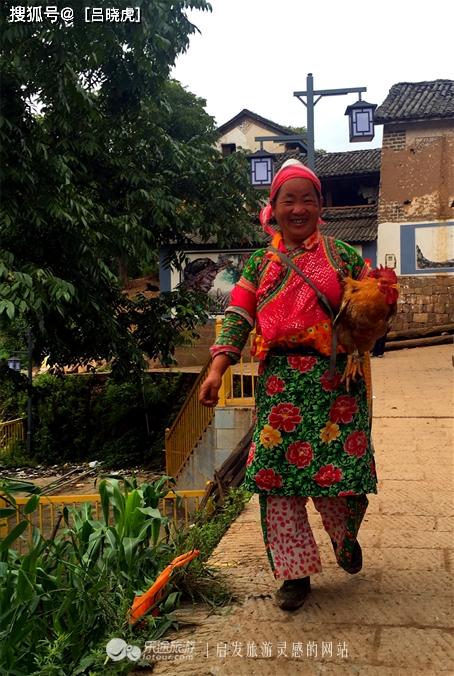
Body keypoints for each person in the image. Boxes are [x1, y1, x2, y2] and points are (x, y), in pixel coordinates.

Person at [199, 160, 377, 611]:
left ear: (321, 207)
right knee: (277, 483)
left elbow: (369, 316)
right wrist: (218, 369)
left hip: (337, 386)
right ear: (273, 208)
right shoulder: (260, 264)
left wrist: (377, 315)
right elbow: (238, 316)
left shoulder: (345, 257)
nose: (299, 208)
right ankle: (295, 574)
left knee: (337, 476)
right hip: (281, 388)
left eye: (308, 199)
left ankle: (344, 536)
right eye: (288, 200)